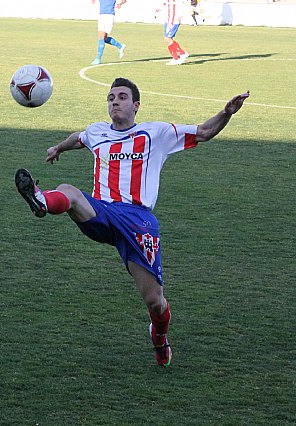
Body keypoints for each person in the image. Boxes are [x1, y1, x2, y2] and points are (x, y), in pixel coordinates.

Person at [15, 77, 249, 366]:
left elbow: (203, 132)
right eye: (111, 97)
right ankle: (42, 201)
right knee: (69, 192)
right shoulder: (98, 132)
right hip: (101, 211)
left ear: (136, 105)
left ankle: (160, 339)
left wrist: (226, 112)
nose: (115, 101)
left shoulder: (157, 133)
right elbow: (79, 137)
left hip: (138, 220)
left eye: (122, 97)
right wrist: (58, 148)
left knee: (155, 301)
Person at [90, 0, 127, 65]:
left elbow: (124, 0)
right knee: (102, 38)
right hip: (101, 15)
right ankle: (120, 46)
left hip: (109, 16)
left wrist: (120, 4)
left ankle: (98, 58)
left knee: (101, 37)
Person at [158, 0, 190, 65]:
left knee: (168, 38)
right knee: (168, 39)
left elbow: (176, 10)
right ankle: (175, 58)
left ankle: (182, 53)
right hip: (168, 20)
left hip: (173, 21)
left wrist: (172, 21)